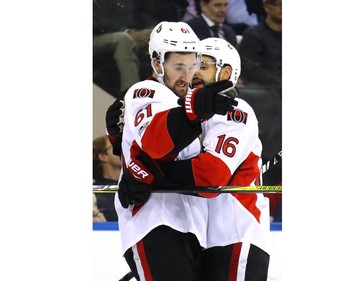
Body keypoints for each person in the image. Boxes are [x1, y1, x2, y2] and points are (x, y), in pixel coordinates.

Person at [109, 36, 270, 279]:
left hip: (237, 235)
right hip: (204, 241)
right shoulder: (188, 112)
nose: (194, 73)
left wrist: (151, 180)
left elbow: (209, 176)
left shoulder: (236, 110)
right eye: (194, 64)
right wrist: (121, 139)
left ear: (225, 73)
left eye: (203, 66)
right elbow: (158, 147)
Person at [237, 0, 282, 90]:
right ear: (266, 6)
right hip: (268, 90)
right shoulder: (253, 35)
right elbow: (249, 70)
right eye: (278, 4)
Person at [93, 135, 122, 221]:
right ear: (103, 156)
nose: (123, 148)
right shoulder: (93, 193)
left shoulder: (134, 187)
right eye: (115, 145)